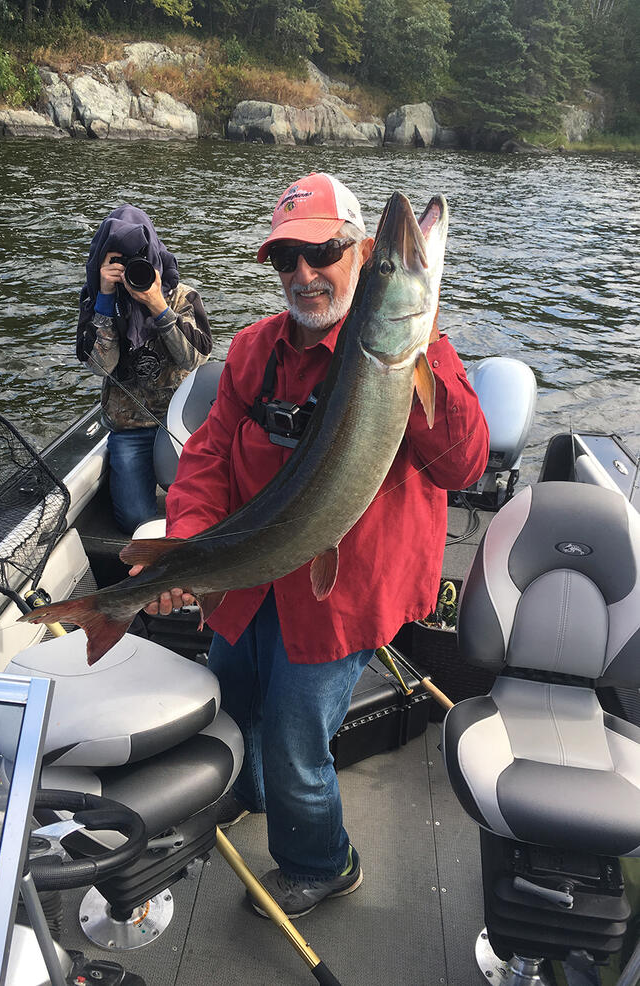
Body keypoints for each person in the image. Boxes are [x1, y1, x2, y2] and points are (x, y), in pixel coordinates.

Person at [144, 172, 490, 918]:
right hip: (254, 572)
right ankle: (248, 788)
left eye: (323, 252)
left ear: (362, 256)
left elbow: (464, 464)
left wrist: (424, 345)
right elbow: (205, 458)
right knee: (232, 691)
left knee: (299, 738)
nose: (304, 274)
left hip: (344, 594)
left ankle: (321, 861)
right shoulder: (252, 350)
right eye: (285, 260)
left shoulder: (418, 352)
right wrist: (186, 546)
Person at [77, 204, 212, 534]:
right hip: (130, 425)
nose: (129, 271)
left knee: (201, 513)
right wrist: (106, 301)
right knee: (135, 519)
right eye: (117, 262)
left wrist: (157, 306)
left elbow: (196, 359)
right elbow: (100, 366)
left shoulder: (181, 297)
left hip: (181, 421)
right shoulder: (97, 300)